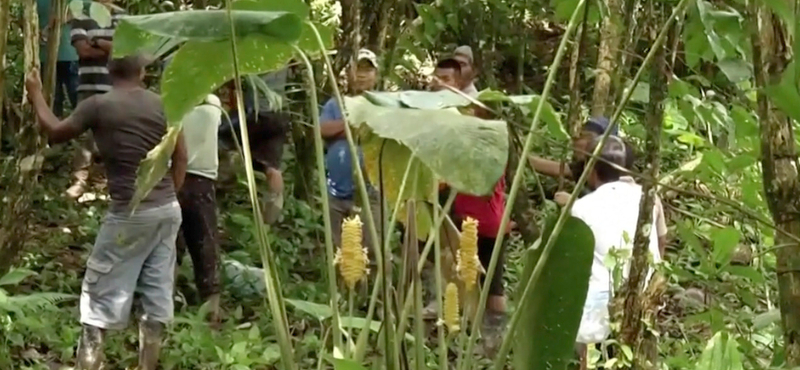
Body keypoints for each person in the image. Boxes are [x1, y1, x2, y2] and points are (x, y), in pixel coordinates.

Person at [25, 54, 186, 370]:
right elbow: (181, 158)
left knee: (99, 295)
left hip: (129, 212)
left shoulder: (98, 105)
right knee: (156, 293)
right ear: (142, 72)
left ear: (110, 71)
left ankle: (88, 365)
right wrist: (169, 198)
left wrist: (35, 93)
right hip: (168, 210)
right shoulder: (165, 104)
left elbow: (56, 132)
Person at [569, 135, 663, 369]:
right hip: (645, 299)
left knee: (592, 360)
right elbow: (662, 243)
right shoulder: (649, 198)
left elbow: (573, 263)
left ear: (591, 169)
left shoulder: (582, 207)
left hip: (601, 305)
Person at [320, 48, 383, 251]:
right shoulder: (334, 104)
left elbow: (379, 134)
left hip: (370, 191)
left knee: (370, 252)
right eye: (357, 68)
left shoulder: (383, 105)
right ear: (348, 73)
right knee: (339, 254)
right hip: (336, 191)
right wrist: (352, 124)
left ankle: (377, 283)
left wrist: (342, 128)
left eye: (368, 69)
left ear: (376, 75)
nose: (362, 74)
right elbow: (323, 129)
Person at [67, 0, 124, 199]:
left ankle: (113, 182)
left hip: (116, 87)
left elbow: (126, 51)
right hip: (89, 86)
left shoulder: (122, 17)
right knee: (83, 135)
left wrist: (97, 42)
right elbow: (83, 50)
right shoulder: (82, 17)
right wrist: (111, 48)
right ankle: (79, 180)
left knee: (116, 134)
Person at [176, 94, 223, 324]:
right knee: (205, 243)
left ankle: (166, 297)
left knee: (171, 243)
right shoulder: (213, 103)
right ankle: (212, 306)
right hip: (202, 179)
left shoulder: (172, 101)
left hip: (174, 176)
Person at [37, 0, 79, 117]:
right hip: (46, 55)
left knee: (76, 95)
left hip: (69, 53)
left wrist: (59, 20)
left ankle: (83, 128)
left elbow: (82, 9)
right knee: (53, 98)